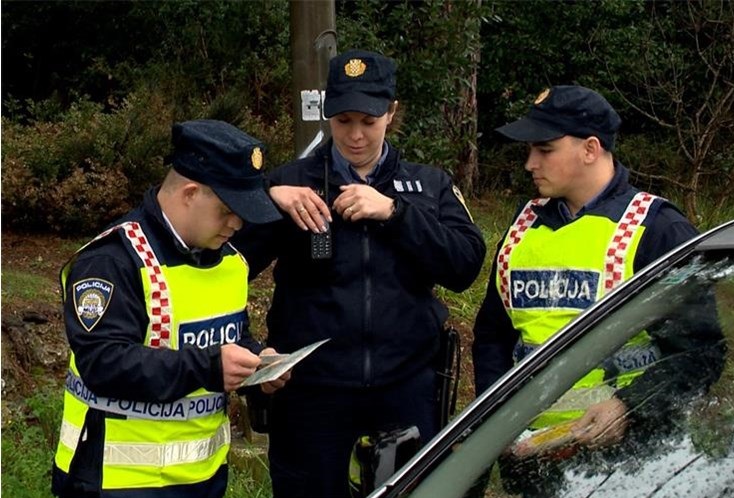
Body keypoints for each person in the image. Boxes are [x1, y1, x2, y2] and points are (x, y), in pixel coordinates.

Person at [232, 49, 486, 498]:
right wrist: (268, 198)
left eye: (368, 121)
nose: (354, 135)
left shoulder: (428, 185)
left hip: (405, 384)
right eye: (343, 120)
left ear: (391, 111)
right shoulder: (291, 184)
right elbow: (223, 270)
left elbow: (464, 265)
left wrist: (396, 213)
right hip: (312, 390)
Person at [471, 85, 724, 496]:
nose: (529, 163)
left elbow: (702, 353)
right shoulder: (522, 227)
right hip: (538, 465)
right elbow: (493, 336)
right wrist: (497, 422)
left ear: (590, 148)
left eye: (545, 149)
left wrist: (628, 406)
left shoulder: (657, 229)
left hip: (631, 465)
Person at [51, 119, 290, 498]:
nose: (238, 223)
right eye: (228, 209)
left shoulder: (230, 261)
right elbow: (103, 361)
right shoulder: (112, 261)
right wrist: (211, 366)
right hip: (117, 483)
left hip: (204, 476)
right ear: (190, 193)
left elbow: (228, 336)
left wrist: (258, 361)